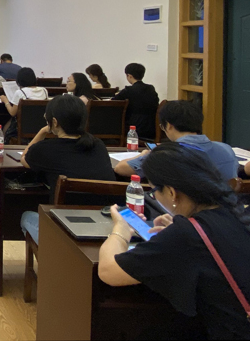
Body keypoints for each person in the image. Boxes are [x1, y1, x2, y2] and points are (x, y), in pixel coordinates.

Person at [98, 143, 250, 339]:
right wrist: (181, 229)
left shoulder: (186, 235)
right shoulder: (236, 211)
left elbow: (108, 271)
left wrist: (120, 229)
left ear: (171, 192)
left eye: (154, 190)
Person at [19, 95, 115, 242]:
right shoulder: (98, 146)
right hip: (103, 227)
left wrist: (43, 131)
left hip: (63, 232)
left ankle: (51, 254)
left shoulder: (44, 150)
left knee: (25, 216)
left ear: (54, 122)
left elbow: (24, 158)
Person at [114, 100, 238, 180]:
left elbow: (121, 168)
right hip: (226, 211)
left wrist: (144, 155)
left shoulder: (165, 154)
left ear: (169, 126)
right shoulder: (226, 149)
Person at [112, 63, 159, 139]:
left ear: (129, 76)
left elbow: (113, 102)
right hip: (152, 127)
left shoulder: (128, 90)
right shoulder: (150, 88)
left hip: (134, 129)